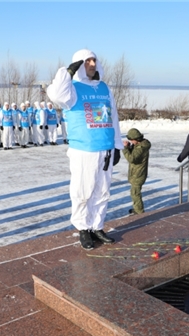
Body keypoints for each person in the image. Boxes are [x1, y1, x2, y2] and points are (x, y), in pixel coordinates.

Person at [47, 48, 123, 250]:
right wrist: (67, 72)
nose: (92, 64)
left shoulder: (104, 87)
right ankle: (83, 228)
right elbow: (55, 94)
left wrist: (117, 145)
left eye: (94, 60)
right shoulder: (72, 89)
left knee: (102, 190)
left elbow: (113, 117)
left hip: (105, 148)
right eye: (87, 61)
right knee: (83, 190)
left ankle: (97, 226)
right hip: (84, 149)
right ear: (79, 64)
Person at [122, 128, 151, 215]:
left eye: (131, 140)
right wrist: (130, 147)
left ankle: (139, 211)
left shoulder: (141, 148)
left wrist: (125, 148)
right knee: (134, 192)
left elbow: (132, 158)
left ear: (136, 139)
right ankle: (137, 208)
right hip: (136, 173)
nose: (131, 141)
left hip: (138, 174)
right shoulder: (139, 145)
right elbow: (134, 154)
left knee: (135, 193)